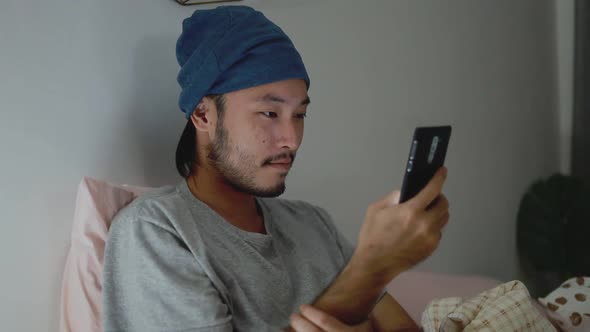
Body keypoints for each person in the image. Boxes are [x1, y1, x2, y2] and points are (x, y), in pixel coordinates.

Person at [102, 5, 450, 332]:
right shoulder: (155, 230)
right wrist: (372, 268)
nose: (292, 139)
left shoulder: (314, 226)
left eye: (299, 115)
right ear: (203, 114)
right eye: (270, 113)